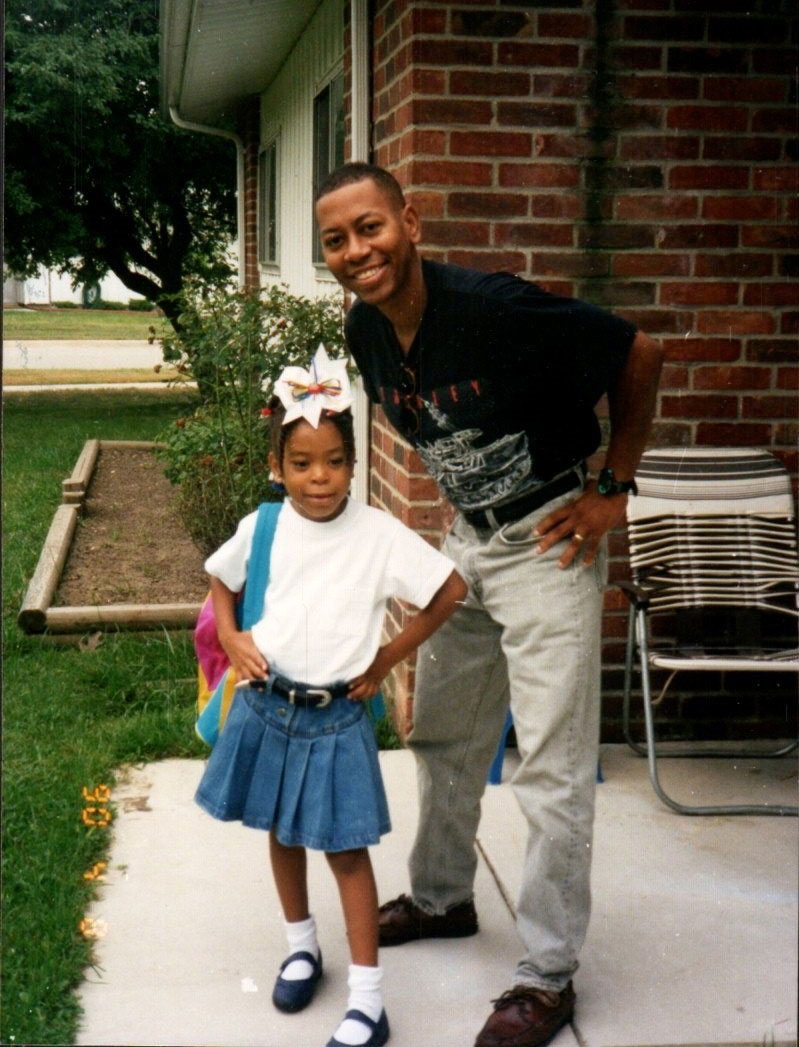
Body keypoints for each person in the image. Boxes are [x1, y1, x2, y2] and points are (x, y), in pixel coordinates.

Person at [314, 163, 664, 1047]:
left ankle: (545, 977)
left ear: (411, 222)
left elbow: (638, 352)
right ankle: (440, 898)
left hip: (550, 537)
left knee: (547, 765)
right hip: (467, 542)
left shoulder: (493, 308)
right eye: (336, 240)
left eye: (370, 227)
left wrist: (612, 488)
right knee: (443, 728)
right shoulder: (366, 330)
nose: (358, 250)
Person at [194, 344, 467, 1047]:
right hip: (267, 704)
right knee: (280, 831)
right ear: (276, 466)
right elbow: (221, 581)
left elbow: (448, 591)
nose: (320, 478)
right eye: (302, 463)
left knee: (345, 851)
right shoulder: (264, 525)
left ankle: (369, 1000)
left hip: (335, 718)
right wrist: (232, 636)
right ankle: (300, 946)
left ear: (355, 461)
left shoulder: (377, 534)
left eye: (334, 461)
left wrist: (385, 656)